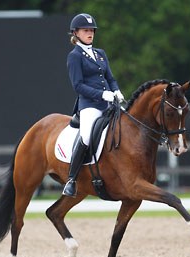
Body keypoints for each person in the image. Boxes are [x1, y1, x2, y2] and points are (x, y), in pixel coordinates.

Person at [62, 13, 124, 197]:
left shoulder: (100, 54)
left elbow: (110, 78)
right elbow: (78, 86)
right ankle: (71, 180)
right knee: (87, 136)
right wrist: (102, 94)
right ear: (76, 33)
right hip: (89, 105)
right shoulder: (74, 56)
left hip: (109, 103)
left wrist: (116, 90)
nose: (90, 33)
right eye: (86, 30)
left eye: (91, 30)